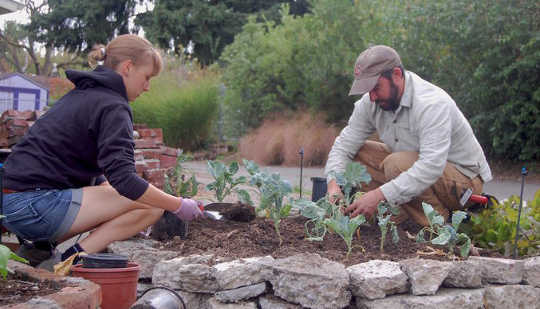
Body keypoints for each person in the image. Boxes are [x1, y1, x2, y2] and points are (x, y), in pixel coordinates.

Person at [0, 34, 203, 267]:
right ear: (128, 67)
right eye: (146, 77)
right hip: (35, 206)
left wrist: (104, 186)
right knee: (154, 205)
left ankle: (39, 250)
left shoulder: (85, 94)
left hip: (12, 204)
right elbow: (126, 181)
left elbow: (75, 157)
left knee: (119, 192)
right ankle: (67, 261)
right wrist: (178, 204)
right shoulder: (113, 105)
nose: (147, 87)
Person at [325, 45, 492, 226]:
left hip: (463, 182)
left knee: (396, 164)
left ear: (396, 75)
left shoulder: (431, 103)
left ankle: (440, 225)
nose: (371, 96)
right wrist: (334, 184)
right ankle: (399, 216)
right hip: (412, 169)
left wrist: (378, 195)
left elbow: (431, 166)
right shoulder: (371, 102)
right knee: (358, 155)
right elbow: (343, 147)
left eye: (376, 87)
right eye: (367, 90)